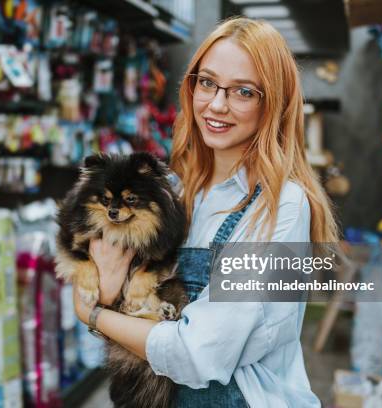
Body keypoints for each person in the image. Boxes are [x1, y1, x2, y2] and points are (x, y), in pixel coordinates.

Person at [72, 17, 338, 407]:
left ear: (273, 103)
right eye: (208, 82)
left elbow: (199, 354)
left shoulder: (282, 207)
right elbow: (129, 301)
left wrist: (92, 315)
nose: (216, 104)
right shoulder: (179, 192)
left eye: (243, 91)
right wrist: (108, 292)